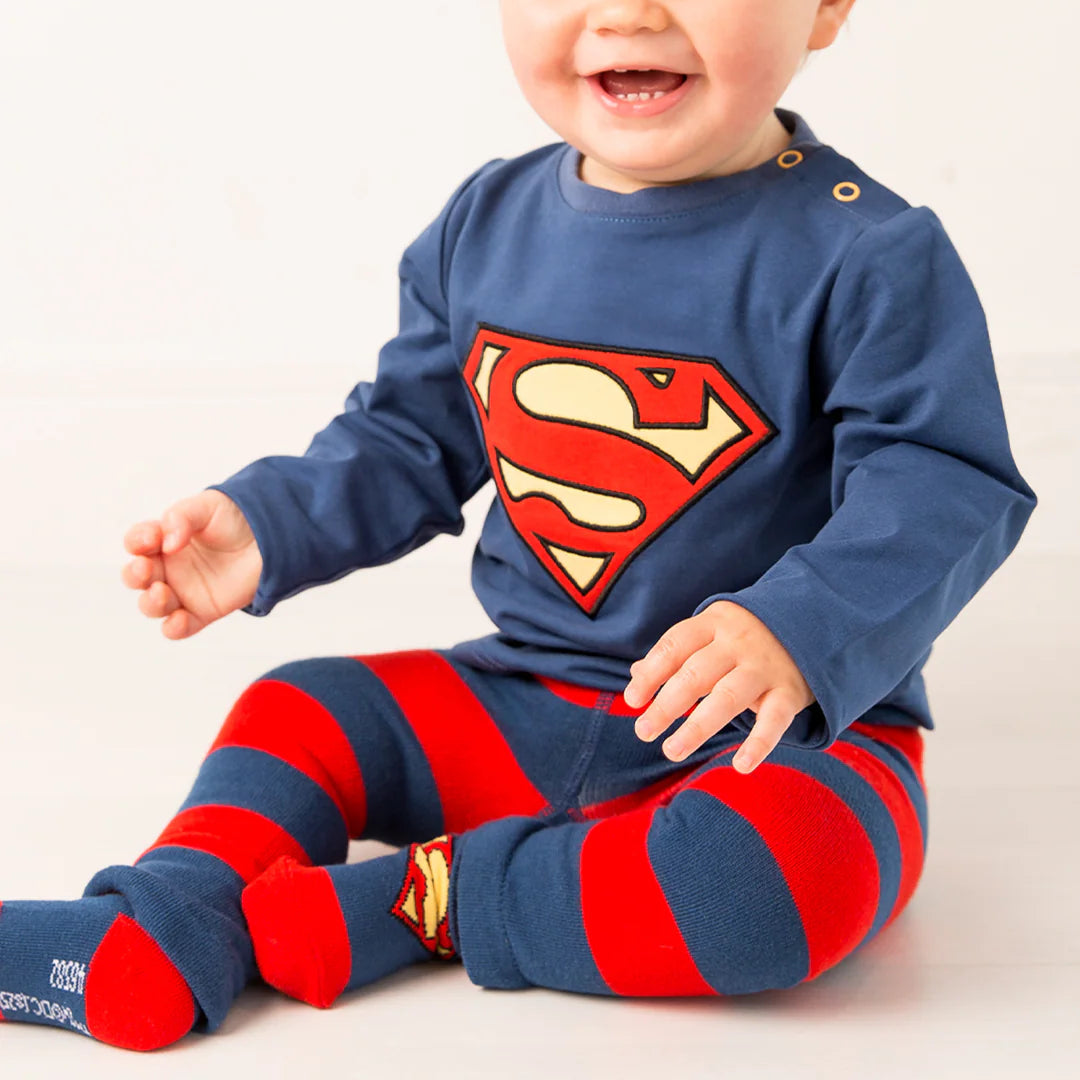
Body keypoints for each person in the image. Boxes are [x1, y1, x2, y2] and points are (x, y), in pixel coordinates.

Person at [0, 0, 1037, 1052]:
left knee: (779, 884)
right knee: (299, 711)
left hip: (763, 740)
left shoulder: (869, 252)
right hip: (526, 697)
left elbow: (944, 481)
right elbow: (409, 437)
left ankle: (427, 903)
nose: (630, 11)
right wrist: (271, 522)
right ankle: (167, 926)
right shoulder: (484, 224)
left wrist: (801, 631)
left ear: (823, 10)